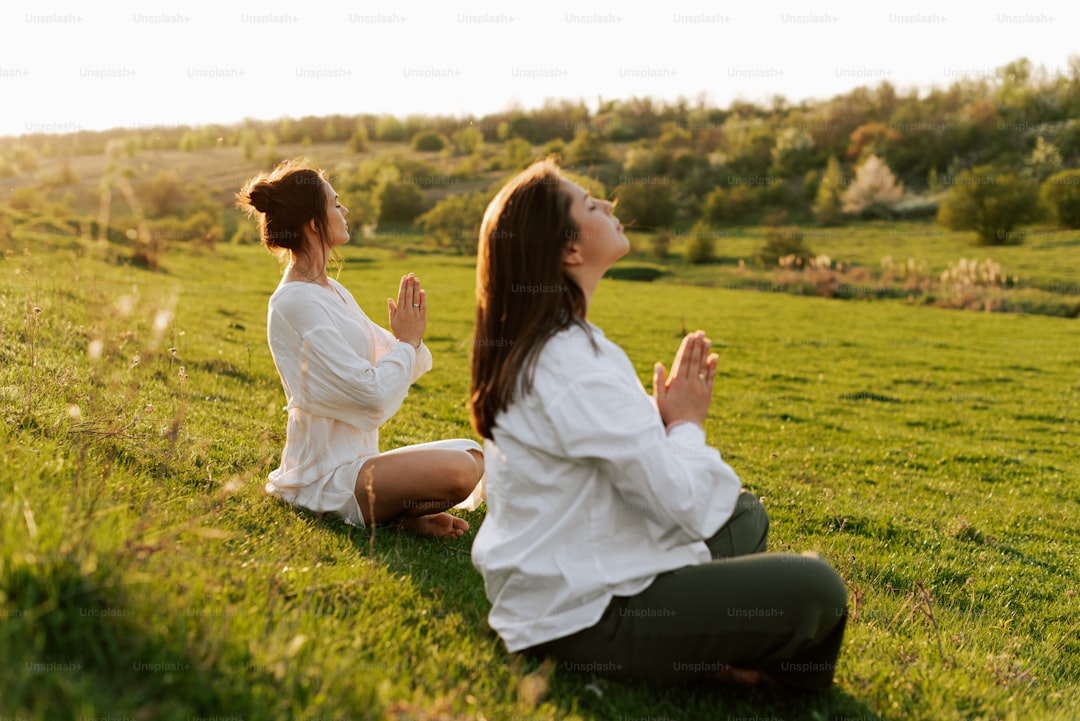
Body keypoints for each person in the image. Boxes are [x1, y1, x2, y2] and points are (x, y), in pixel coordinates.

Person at [468, 159, 847, 687]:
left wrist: (661, 420)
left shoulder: (562, 343)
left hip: (568, 576)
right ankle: (739, 675)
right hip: (581, 619)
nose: (609, 205)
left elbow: (640, 477)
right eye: (590, 204)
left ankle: (708, 641)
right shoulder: (574, 364)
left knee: (744, 516)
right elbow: (680, 508)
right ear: (570, 250)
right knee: (817, 590)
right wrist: (685, 423)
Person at [236, 159, 484, 540]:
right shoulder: (294, 302)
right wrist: (407, 342)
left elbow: (396, 360)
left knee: (475, 457)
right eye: (335, 204)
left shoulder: (331, 291)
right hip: (323, 479)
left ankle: (400, 515)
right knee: (460, 472)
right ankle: (391, 512)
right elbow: (372, 399)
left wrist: (406, 344)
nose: (345, 210)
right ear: (314, 223)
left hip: (359, 465)